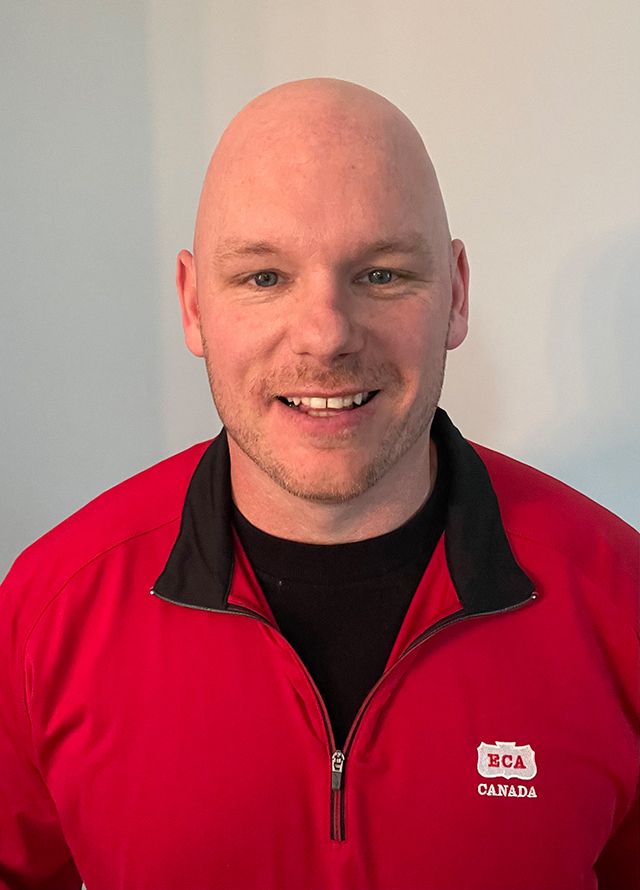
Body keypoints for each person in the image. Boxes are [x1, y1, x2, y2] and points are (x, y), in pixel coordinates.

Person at [0, 78, 637, 890]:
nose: (327, 334)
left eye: (380, 274)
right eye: (264, 277)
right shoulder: (50, 611)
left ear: (456, 292)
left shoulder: (621, 601)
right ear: (194, 306)